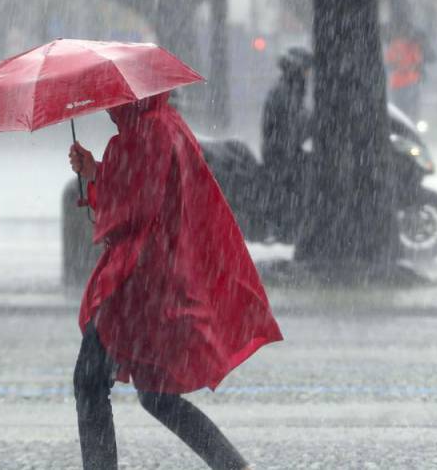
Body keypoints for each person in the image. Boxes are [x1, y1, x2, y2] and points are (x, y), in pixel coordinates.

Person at [68, 93, 282, 470]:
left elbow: (134, 209)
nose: (105, 104)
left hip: (137, 285)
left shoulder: (143, 134)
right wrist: (97, 172)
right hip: (162, 279)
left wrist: (101, 180)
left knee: (90, 380)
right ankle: (233, 466)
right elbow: (146, 195)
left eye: (112, 97)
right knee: (157, 394)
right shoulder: (165, 125)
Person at [259, 47, 313, 239]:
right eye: (306, 70)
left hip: (282, 151)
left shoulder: (288, 89)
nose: (308, 75)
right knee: (294, 188)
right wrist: (314, 123)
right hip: (281, 155)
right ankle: (287, 230)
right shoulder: (285, 92)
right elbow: (292, 127)